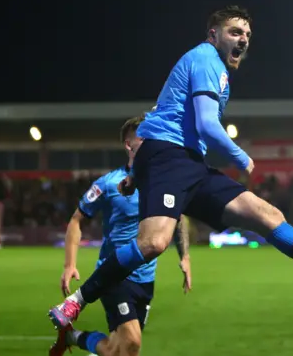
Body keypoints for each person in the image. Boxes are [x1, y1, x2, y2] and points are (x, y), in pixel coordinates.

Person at [48, 5, 293, 331]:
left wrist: (136, 176)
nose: (243, 39)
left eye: (247, 35)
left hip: (187, 162)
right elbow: (205, 124)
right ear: (213, 35)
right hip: (169, 156)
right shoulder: (206, 59)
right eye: (235, 32)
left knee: (266, 214)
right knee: (154, 242)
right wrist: (240, 157)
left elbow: (192, 129)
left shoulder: (217, 70)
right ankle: (76, 302)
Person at [49, 114, 192, 356]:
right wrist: (69, 264)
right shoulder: (108, 184)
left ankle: (75, 337)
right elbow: (76, 219)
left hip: (146, 280)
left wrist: (185, 256)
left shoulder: (161, 182)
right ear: (129, 144)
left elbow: (179, 218)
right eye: (145, 137)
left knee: (120, 350)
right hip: (115, 275)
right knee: (133, 344)